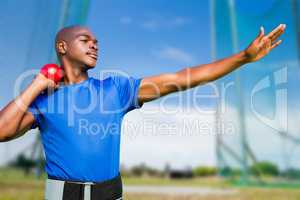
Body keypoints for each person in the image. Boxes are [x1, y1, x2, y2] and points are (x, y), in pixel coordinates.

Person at [0, 24, 285, 199]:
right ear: (62, 46)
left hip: (111, 196)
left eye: (96, 41)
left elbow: (183, 76)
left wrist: (243, 58)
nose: (95, 44)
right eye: (85, 39)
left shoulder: (116, 89)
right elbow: (3, 131)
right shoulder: (45, 98)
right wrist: (37, 84)